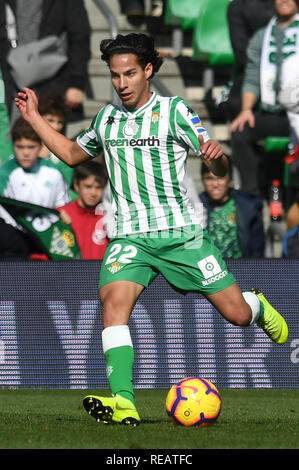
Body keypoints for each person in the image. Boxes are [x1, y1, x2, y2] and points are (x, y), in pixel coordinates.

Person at [15, 33, 289, 427]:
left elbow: (217, 165)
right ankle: (123, 401)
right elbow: (74, 155)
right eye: (114, 76)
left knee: (238, 315)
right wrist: (35, 119)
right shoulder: (107, 119)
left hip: (181, 236)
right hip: (130, 237)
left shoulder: (175, 110)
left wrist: (217, 160)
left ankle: (257, 306)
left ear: (147, 70)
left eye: (129, 74)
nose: (121, 83)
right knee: (113, 306)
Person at [229, 0, 299, 197]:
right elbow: (252, 76)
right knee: (240, 131)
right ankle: (252, 196)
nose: (285, 1)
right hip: (275, 114)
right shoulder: (262, 36)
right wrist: (246, 110)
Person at [0, 0, 91, 123]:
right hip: (9, 81)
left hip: (51, 84)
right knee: (16, 138)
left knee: (49, 139)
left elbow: (80, 35)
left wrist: (77, 83)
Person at [0, 117, 70, 257]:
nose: (25, 153)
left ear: (40, 146)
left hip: (48, 238)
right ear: (13, 145)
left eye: (31, 147)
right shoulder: (5, 172)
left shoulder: (54, 172)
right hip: (15, 239)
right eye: (20, 147)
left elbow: (64, 206)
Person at [199, 160, 265, 258]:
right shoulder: (195, 206)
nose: (215, 184)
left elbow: (257, 249)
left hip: (242, 268)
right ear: (202, 180)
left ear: (230, 179)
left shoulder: (249, 207)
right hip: (207, 269)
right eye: (209, 178)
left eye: (221, 178)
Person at [57, 160, 109, 260]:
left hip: (100, 274)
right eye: (88, 186)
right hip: (68, 273)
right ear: (76, 185)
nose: (93, 193)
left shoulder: (109, 217)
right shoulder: (60, 215)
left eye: (99, 187)